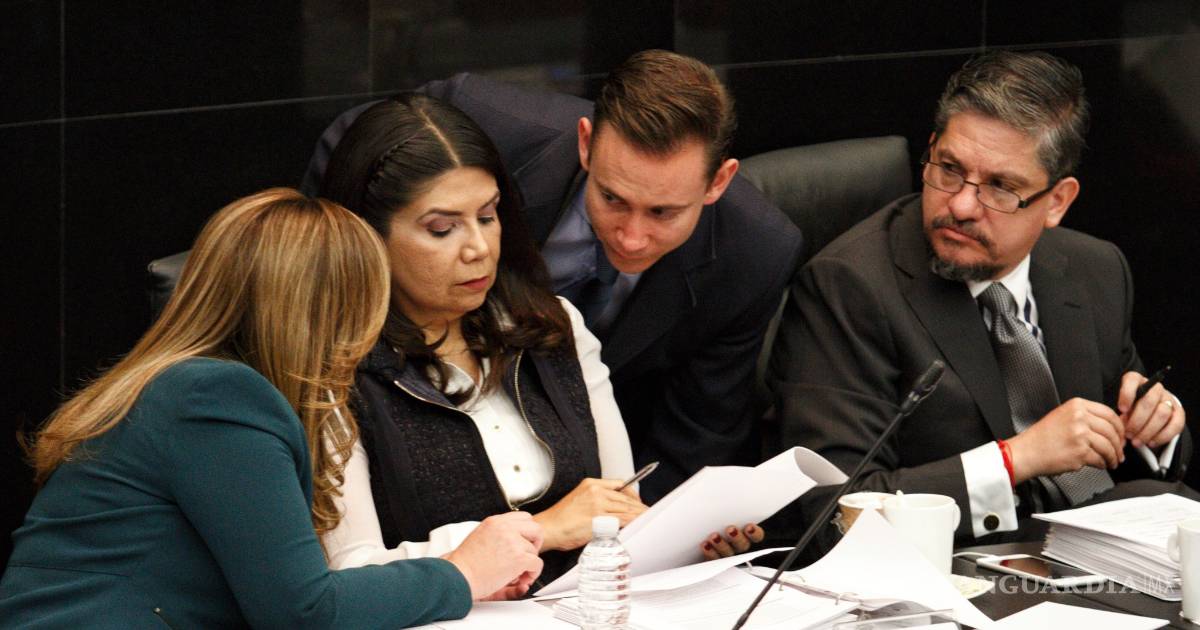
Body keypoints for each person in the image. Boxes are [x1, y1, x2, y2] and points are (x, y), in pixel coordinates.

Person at [0, 189, 543, 628]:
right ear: (328, 314)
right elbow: (305, 611)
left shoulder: (187, 386)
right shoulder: (214, 399)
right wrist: (461, 573)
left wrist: (460, 577)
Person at [302, 50, 804, 503]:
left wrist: (649, 534)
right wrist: (354, 306)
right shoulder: (485, 120)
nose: (632, 238)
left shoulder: (755, 253)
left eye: (663, 213)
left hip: (601, 474)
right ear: (586, 144)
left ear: (719, 181)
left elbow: (696, 437)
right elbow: (356, 154)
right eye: (612, 198)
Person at [317, 94, 761, 584]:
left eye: (488, 216)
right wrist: (542, 531)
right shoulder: (333, 369)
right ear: (368, 236)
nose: (479, 248)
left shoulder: (553, 325)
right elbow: (349, 573)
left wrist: (690, 543)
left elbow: (620, 512)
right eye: (442, 229)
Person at [768, 51, 1192, 552]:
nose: (962, 205)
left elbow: (1133, 445)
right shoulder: (850, 285)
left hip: (1105, 557)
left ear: (1057, 202)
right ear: (931, 150)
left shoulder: (1095, 268)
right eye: (949, 169)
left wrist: (1157, 428)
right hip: (956, 570)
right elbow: (836, 513)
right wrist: (1015, 459)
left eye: (1001, 187)